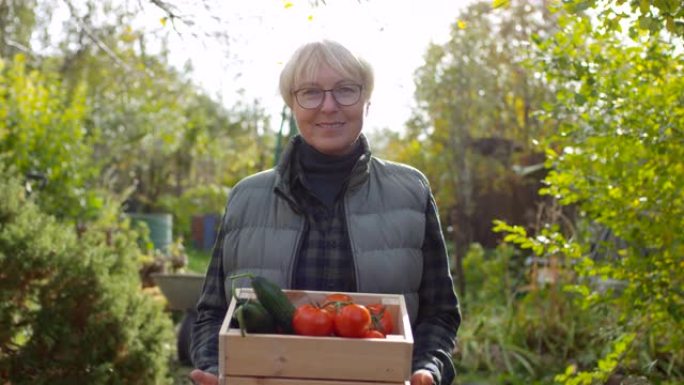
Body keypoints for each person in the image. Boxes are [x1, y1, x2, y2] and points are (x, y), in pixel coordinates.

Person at [190, 39, 461, 385]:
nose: (329, 106)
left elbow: (439, 313)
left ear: (367, 100)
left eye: (346, 90)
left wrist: (427, 370)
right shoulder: (246, 198)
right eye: (311, 92)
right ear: (292, 103)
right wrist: (218, 370)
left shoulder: (411, 192)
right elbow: (213, 313)